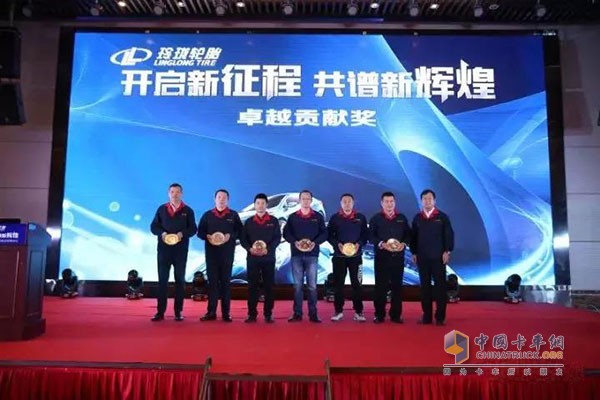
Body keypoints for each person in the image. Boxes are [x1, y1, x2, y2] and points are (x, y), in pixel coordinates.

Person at [150, 183, 197, 321]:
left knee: (180, 280)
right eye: (172, 192)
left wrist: (182, 234)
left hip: (180, 251)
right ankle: (160, 312)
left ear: (181, 194)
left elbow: (193, 229)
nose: (175, 194)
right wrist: (162, 233)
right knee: (162, 280)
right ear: (168, 194)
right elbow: (153, 227)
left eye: (177, 192)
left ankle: (178, 311)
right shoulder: (161, 209)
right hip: (164, 250)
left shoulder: (188, 210)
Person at [197, 189, 243, 322]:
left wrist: (230, 236)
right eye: (219, 197)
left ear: (228, 200)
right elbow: (200, 232)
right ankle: (211, 312)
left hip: (227, 254)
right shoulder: (207, 215)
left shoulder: (233, 215)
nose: (221, 200)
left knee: (225, 283)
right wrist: (207, 236)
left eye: (224, 197)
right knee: (212, 283)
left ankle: (226, 313)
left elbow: (240, 232)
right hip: (211, 255)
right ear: (214, 199)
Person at [283, 190, 328, 323]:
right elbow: (286, 233)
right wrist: (294, 242)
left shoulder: (318, 217)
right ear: (299, 200)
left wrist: (315, 243)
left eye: (308, 199)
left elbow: (324, 234)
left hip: (312, 256)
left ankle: (313, 314)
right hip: (296, 255)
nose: (306, 201)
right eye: (303, 198)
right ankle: (297, 313)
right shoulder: (292, 217)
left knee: (312, 286)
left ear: (311, 200)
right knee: (297, 286)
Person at [411, 189, 454, 326]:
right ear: (421, 201)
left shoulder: (442, 217)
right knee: (425, 288)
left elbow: (449, 235)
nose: (427, 201)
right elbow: (413, 237)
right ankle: (427, 316)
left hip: (438, 258)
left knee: (440, 287)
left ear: (434, 201)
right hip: (422, 258)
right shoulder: (417, 218)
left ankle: (440, 317)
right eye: (425, 199)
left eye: (430, 199)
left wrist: (447, 251)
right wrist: (414, 252)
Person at [369, 191, 411, 324]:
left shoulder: (402, 218)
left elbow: (408, 235)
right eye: (386, 202)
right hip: (382, 258)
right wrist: (381, 244)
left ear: (395, 203)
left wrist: (404, 244)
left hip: (398, 258)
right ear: (381, 203)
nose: (389, 204)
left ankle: (396, 315)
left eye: (391, 201)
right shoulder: (376, 219)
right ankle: (379, 314)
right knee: (380, 287)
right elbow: (371, 236)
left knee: (397, 287)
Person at [240, 193, 282, 323]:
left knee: (269, 287)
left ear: (266, 205)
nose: (260, 205)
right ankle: (251, 314)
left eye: (263, 203)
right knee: (252, 286)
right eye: (258, 203)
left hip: (268, 259)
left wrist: (267, 249)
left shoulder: (273, 221)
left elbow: (277, 238)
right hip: (252, 259)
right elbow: (243, 239)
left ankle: (268, 314)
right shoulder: (249, 222)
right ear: (254, 205)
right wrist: (250, 249)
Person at [327, 193, 369, 322]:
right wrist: (337, 244)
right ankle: (338, 311)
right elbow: (329, 236)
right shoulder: (335, 218)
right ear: (341, 203)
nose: (347, 204)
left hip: (356, 257)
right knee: (338, 285)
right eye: (344, 202)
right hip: (339, 257)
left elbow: (365, 236)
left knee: (357, 284)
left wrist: (359, 244)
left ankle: (358, 312)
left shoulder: (360, 218)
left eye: (349, 201)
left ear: (353, 203)